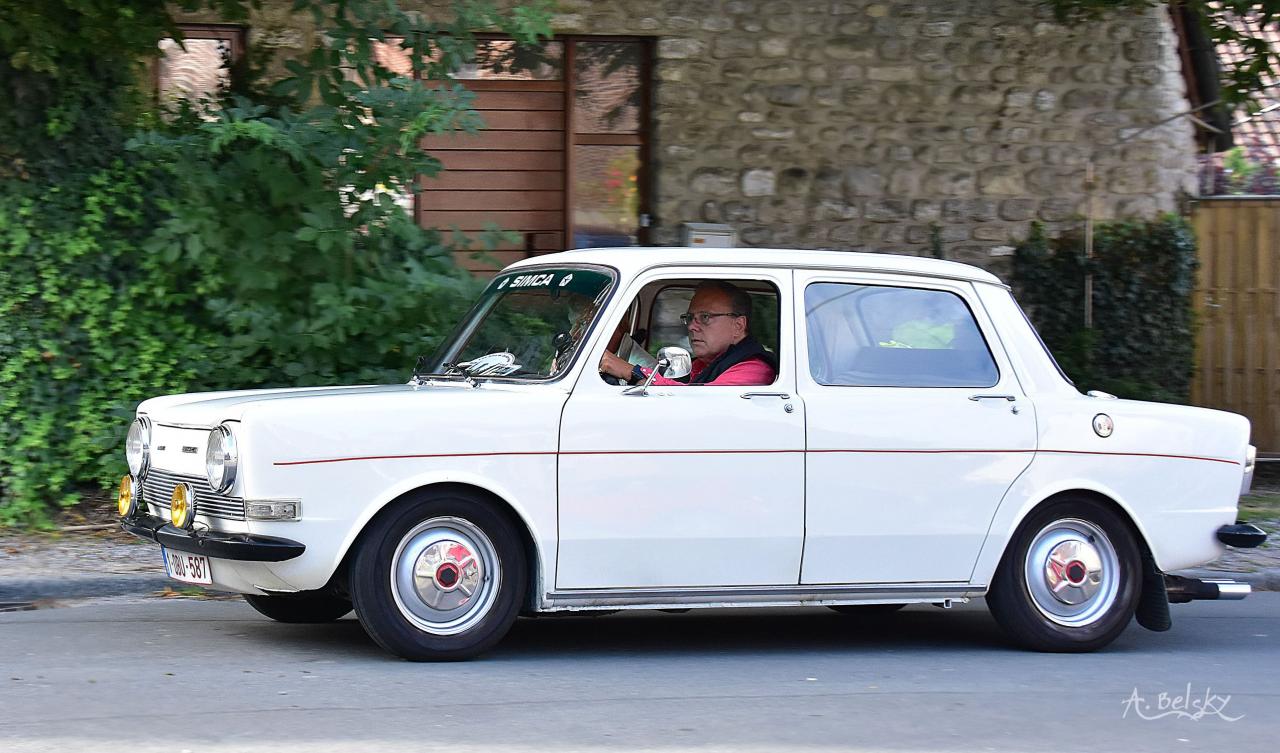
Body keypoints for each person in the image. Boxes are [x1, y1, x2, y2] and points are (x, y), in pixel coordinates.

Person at [598, 280, 777, 386]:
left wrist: (632, 372)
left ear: (738, 325)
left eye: (705, 317)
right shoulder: (702, 365)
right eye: (690, 318)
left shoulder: (754, 371)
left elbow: (698, 407)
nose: (692, 326)